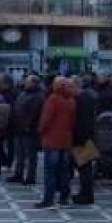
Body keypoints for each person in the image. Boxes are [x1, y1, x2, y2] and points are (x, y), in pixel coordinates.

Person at [35, 76, 76, 209]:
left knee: (50, 171)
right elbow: (73, 121)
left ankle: (49, 199)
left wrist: (40, 131)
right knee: (64, 170)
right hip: (66, 140)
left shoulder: (53, 99)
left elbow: (46, 119)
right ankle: (64, 197)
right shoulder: (71, 100)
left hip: (52, 139)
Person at [9, 75, 44, 185]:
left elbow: (34, 112)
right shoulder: (23, 93)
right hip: (18, 127)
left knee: (30, 154)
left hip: (29, 129)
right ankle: (18, 173)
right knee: (19, 153)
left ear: (34, 83)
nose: (25, 83)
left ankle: (30, 176)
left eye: (28, 81)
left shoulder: (38, 95)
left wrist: (28, 125)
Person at [71, 75, 97, 204]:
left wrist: (79, 139)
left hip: (83, 139)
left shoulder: (83, 99)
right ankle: (84, 193)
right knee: (84, 169)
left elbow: (84, 121)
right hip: (85, 137)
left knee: (85, 169)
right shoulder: (85, 97)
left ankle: (86, 195)